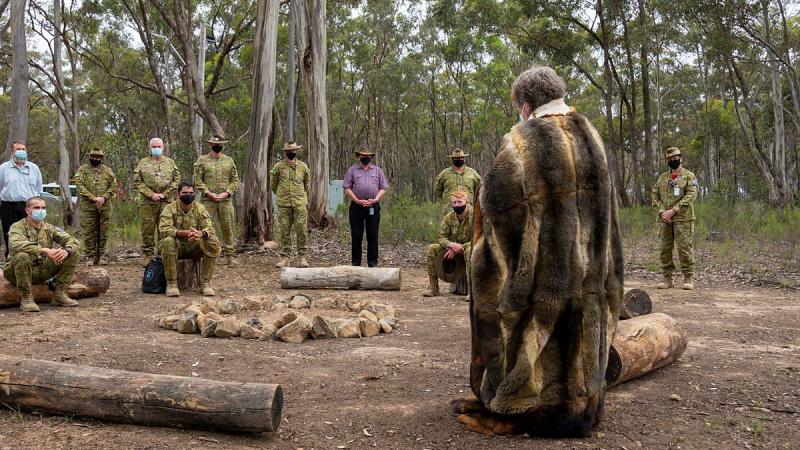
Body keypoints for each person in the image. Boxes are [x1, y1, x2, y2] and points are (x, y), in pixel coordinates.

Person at [452, 66, 623, 437]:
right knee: (581, 329)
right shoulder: (591, 134)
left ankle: (525, 407)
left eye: (519, 106)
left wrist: (487, 261)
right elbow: (607, 212)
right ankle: (580, 405)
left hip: (546, 273)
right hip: (590, 269)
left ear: (526, 104)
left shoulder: (520, 142)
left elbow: (497, 206)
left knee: (527, 320)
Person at [3, 196, 80, 312]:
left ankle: (60, 294)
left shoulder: (49, 228)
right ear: (27, 210)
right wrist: (45, 250)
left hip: (41, 270)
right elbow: (16, 245)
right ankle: (26, 298)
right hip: (17, 272)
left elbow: (73, 241)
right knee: (22, 255)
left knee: (73, 253)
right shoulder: (17, 227)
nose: (41, 210)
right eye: (37, 207)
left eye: (43, 208)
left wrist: (66, 251)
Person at [157, 181, 221, 297]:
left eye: (191, 193)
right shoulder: (169, 208)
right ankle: (171, 284)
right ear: (178, 194)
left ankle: (205, 283)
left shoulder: (200, 208)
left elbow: (210, 228)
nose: (188, 195)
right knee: (168, 241)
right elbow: (164, 229)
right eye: (185, 192)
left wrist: (200, 234)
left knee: (213, 241)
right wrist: (182, 233)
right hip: (176, 246)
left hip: (194, 245)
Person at [651, 147, 698, 290]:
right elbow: (655, 195)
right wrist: (662, 212)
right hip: (664, 220)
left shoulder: (689, 176)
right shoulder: (662, 177)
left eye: (675, 158)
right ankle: (668, 279)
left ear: (680, 158)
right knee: (664, 249)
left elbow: (691, 195)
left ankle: (688, 277)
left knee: (684, 248)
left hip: (683, 219)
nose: (672, 160)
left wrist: (673, 211)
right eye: (669, 159)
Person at [133, 138, 181, 267]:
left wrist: (164, 194)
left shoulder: (170, 163)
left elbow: (176, 180)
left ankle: (161, 253)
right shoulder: (143, 163)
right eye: (154, 146)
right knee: (147, 229)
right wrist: (151, 194)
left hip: (166, 202)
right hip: (148, 202)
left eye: (158, 146)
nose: (156, 149)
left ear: (163, 147)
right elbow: (138, 181)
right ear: (149, 147)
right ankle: (148, 255)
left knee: (164, 228)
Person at [193, 134, 240, 266]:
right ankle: (203, 254)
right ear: (210, 145)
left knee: (228, 227)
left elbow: (235, 180)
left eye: (220, 144)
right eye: (215, 144)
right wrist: (208, 193)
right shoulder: (202, 161)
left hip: (225, 201)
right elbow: (197, 180)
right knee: (205, 227)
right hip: (208, 201)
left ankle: (230, 256)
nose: (218, 146)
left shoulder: (229, 161)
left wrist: (227, 193)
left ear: (223, 145)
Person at [343, 148, 389, 267]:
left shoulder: (378, 171)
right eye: (363, 155)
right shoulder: (352, 170)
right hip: (356, 207)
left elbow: (383, 188)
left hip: (373, 206)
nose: (365, 157)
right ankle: (356, 264)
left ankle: (372, 264)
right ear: (359, 156)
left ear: (371, 157)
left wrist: (376, 199)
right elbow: (347, 188)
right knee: (356, 235)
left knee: (373, 235)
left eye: (368, 155)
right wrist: (357, 200)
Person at [423, 190, 473, 297]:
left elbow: (479, 237)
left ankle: (472, 292)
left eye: (459, 202)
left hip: (471, 246)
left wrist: (459, 247)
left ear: (466, 202)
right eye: (454, 203)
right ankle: (433, 287)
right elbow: (441, 237)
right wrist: (451, 245)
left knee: (469, 250)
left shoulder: (475, 216)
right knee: (432, 248)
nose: (457, 205)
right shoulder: (449, 217)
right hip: (452, 247)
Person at [270, 141, 311, 268]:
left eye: (293, 151)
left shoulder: (303, 167)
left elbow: (307, 185)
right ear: (285, 152)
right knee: (284, 231)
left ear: (296, 151)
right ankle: (285, 258)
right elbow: (273, 185)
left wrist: (300, 196)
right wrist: (283, 195)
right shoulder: (278, 166)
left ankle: (302, 257)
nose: (291, 153)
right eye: (289, 151)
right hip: (284, 204)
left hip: (299, 204)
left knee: (302, 230)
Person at [74, 148, 117, 266]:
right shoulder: (83, 170)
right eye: (93, 156)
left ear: (101, 158)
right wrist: (93, 197)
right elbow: (79, 185)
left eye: (98, 157)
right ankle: (90, 256)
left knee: (104, 231)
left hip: (105, 205)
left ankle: (102, 255)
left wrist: (103, 198)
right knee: (89, 231)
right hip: (88, 205)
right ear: (89, 157)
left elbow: (113, 186)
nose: (96, 159)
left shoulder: (108, 171)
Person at [0, 141, 43, 258]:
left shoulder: (34, 168)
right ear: (12, 152)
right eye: (18, 149)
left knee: (31, 233)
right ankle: (11, 260)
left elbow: (39, 188)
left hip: (29, 207)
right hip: (8, 207)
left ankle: (33, 259)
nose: (21, 152)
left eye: (23, 149)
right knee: (10, 235)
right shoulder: (3, 168)